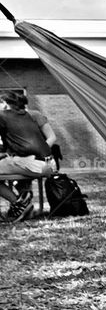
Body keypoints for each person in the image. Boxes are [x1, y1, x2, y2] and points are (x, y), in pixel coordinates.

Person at [0, 90, 59, 222]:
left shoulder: (4, 116)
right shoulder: (27, 115)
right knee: (11, 166)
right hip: (48, 163)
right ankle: (23, 203)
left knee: (10, 165)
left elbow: (50, 137)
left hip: (31, 162)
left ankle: (20, 204)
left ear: (4, 104)